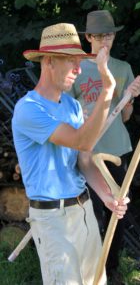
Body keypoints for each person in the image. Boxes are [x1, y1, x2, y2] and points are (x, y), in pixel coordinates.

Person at [11, 22, 130, 285]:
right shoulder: (28, 109)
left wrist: (108, 197)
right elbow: (82, 141)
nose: (78, 70)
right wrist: (107, 90)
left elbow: (84, 161)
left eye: (80, 61)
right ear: (50, 61)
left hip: (84, 210)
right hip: (52, 219)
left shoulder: (72, 105)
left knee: (95, 282)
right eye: (72, 62)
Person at [70, 10, 140, 278]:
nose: (105, 41)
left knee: (117, 211)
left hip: (116, 150)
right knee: (91, 216)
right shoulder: (75, 67)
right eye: (100, 35)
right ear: (89, 36)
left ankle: (111, 270)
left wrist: (128, 97)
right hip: (86, 153)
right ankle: (89, 270)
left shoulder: (123, 68)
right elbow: (65, 111)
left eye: (110, 35)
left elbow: (125, 115)